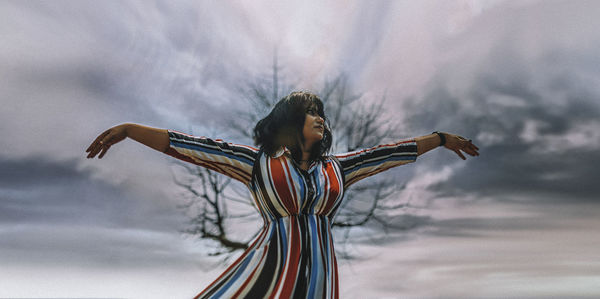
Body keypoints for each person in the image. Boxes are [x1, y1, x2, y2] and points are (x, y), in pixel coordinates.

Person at [86, 91, 479, 298]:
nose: (320, 118)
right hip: (268, 273)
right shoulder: (258, 163)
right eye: (310, 112)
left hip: (321, 277)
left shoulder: (337, 167)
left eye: (321, 112)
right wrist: (130, 129)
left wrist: (440, 139)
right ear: (291, 122)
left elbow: (388, 154)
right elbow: (192, 145)